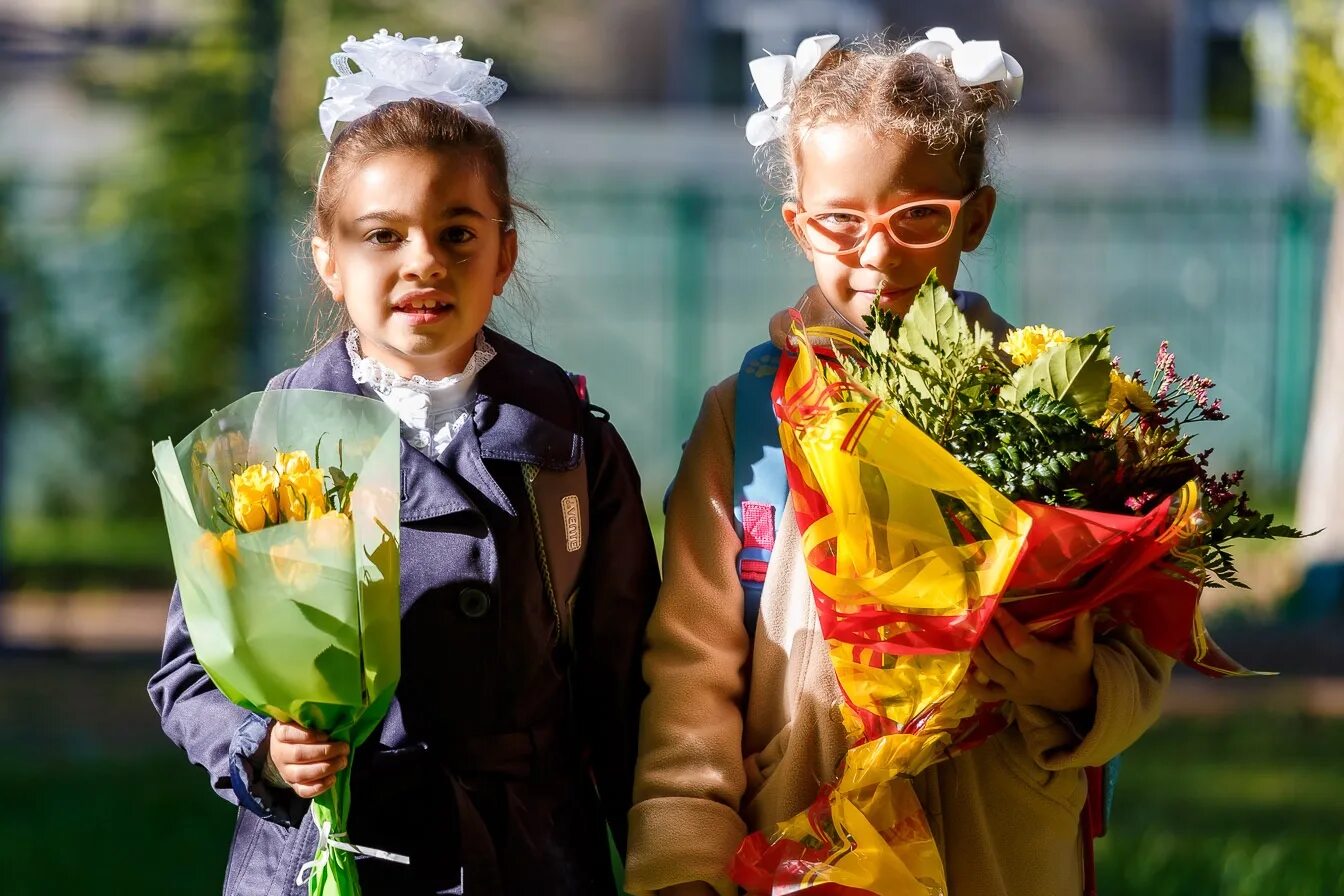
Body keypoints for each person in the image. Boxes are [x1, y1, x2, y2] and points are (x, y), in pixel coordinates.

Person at [624, 29, 1171, 896]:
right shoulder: (746, 419)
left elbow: (1142, 641)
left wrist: (1078, 688)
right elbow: (691, 671)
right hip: (805, 845)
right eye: (843, 221)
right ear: (800, 224)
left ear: (977, 218)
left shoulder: (1056, 405)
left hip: (1003, 853)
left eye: (919, 216)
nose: (878, 254)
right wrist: (683, 858)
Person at [148, 29, 660, 896]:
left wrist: (666, 862)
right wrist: (265, 749)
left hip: (525, 858)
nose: (424, 260)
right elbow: (187, 671)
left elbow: (629, 696)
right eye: (383, 235)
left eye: (457, 233)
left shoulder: (572, 448)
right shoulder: (266, 443)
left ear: (505, 253)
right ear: (329, 259)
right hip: (323, 858)